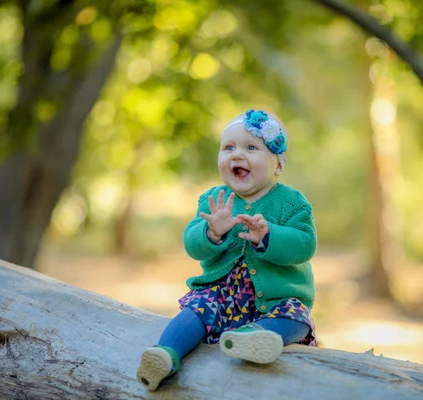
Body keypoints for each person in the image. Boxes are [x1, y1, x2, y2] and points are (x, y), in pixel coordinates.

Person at [136, 109, 317, 391]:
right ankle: (165, 354)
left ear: (278, 164)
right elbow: (192, 244)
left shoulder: (292, 202)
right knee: (195, 311)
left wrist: (269, 235)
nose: (236, 154)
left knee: (297, 317)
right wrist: (212, 231)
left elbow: (305, 244)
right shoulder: (213, 199)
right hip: (220, 294)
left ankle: (254, 337)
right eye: (228, 147)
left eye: (251, 147)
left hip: (275, 298)